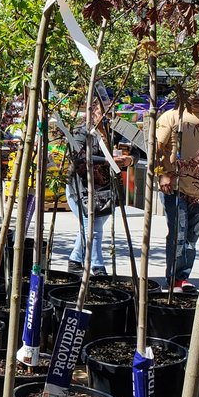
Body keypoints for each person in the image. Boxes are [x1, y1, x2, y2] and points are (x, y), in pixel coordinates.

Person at [155, 92, 199, 293]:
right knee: (178, 234)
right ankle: (174, 278)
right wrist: (164, 174)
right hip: (175, 187)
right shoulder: (172, 116)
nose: (196, 98)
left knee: (191, 238)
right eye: (192, 94)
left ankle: (183, 277)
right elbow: (157, 148)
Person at [65, 103, 132, 274]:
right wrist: (107, 160)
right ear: (93, 111)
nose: (106, 116)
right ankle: (97, 266)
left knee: (90, 227)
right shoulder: (82, 132)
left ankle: (75, 260)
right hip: (81, 188)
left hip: (106, 190)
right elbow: (78, 156)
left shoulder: (114, 132)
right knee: (94, 226)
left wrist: (130, 159)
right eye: (103, 112)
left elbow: (136, 150)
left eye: (110, 112)